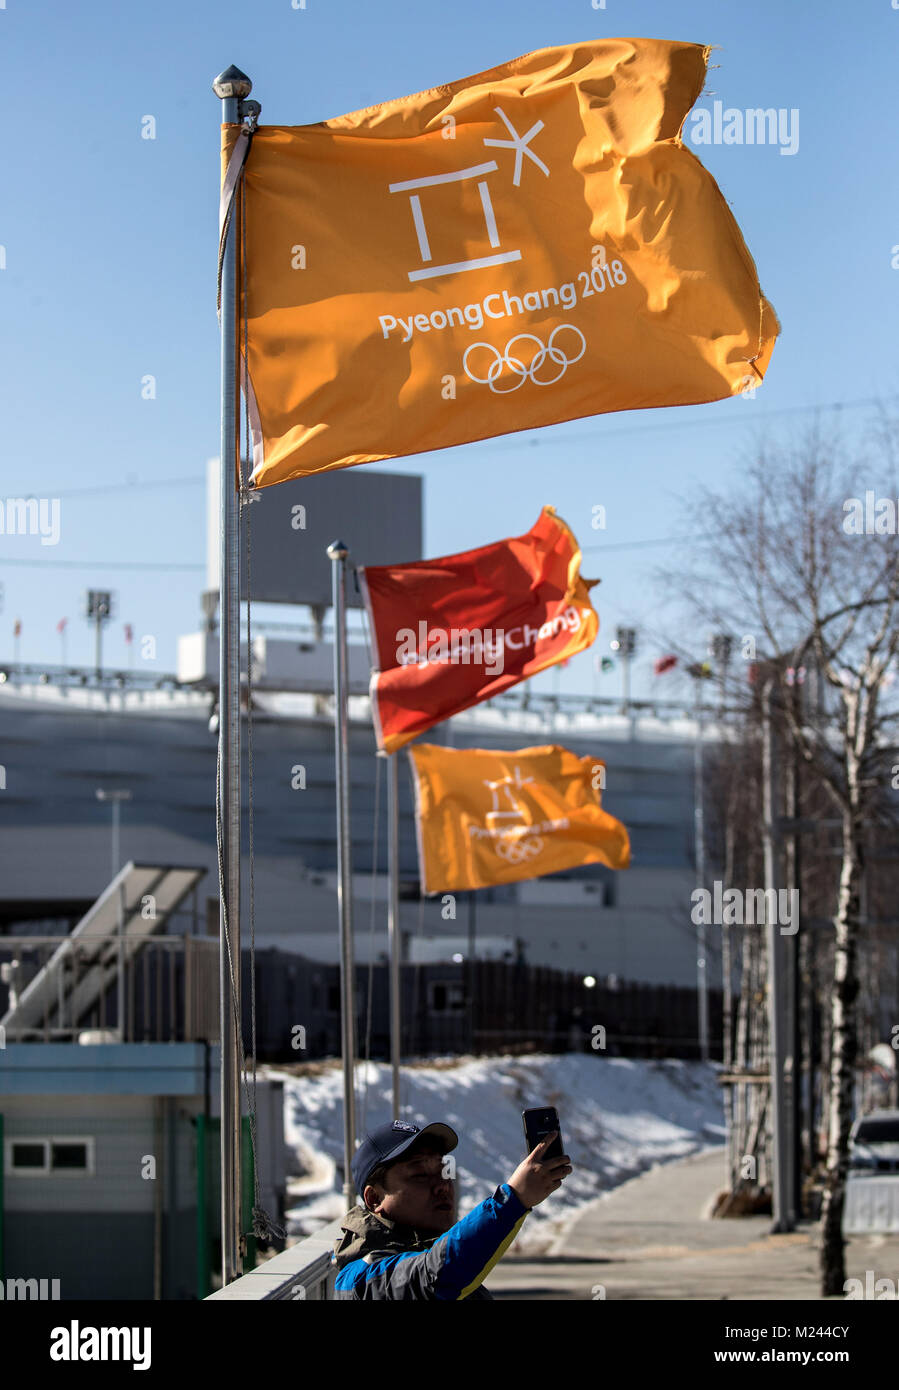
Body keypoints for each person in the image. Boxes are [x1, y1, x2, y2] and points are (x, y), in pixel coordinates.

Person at [334, 1117, 572, 1300]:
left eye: (442, 1170)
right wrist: (514, 1199)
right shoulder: (360, 1280)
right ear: (374, 1198)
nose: (442, 1186)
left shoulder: (423, 1247)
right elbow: (436, 1274)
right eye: (419, 1173)